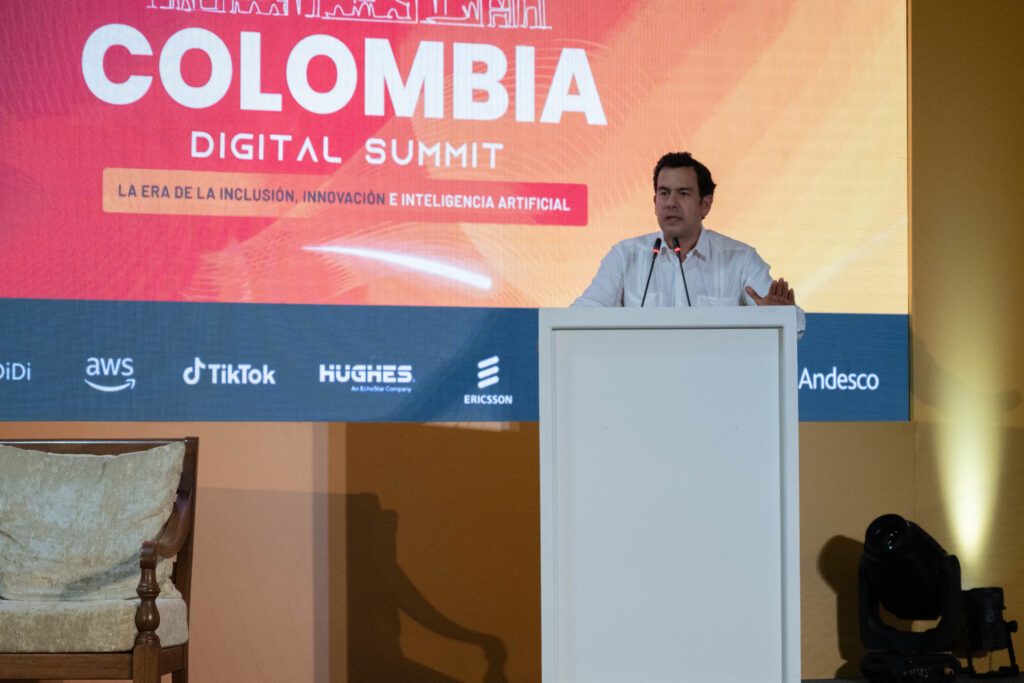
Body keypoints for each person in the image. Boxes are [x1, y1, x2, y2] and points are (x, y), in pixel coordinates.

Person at [572, 151, 805, 336]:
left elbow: (795, 323)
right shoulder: (625, 256)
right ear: (655, 202)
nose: (670, 203)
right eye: (664, 193)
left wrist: (778, 316)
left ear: (705, 205)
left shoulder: (740, 259)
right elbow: (585, 312)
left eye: (683, 194)